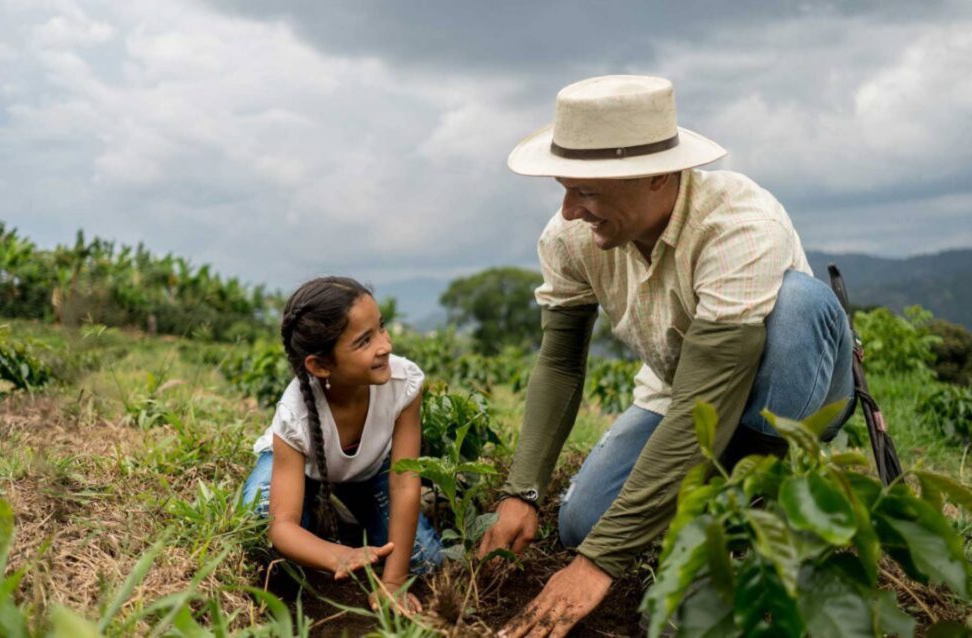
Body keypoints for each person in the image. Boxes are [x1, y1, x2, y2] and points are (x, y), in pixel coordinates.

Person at [478, 75, 856, 636]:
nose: (570, 209)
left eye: (586, 191)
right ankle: (706, 508)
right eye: (565, 187)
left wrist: (599, 565)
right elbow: (559, 362)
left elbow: (711, 397)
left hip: (789, 387)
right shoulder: (570, 238)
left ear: (657, 175)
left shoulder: (738, 225)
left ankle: (758, 493)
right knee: (582, 524)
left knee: (800, 303)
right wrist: (523, 491)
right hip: (678, 388)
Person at [242, 276, 443, 612]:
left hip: (367, 471)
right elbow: (281, 524)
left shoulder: (403, 384)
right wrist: (335, 555)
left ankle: (347, 511)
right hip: (302, 471)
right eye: (364, 341)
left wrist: (392, 583)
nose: (385, 345)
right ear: (320, 366)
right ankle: (320, 511)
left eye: (381, 327)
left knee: (427, 561)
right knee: (262, 527)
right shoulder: (295, 415)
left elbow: (404, 484)